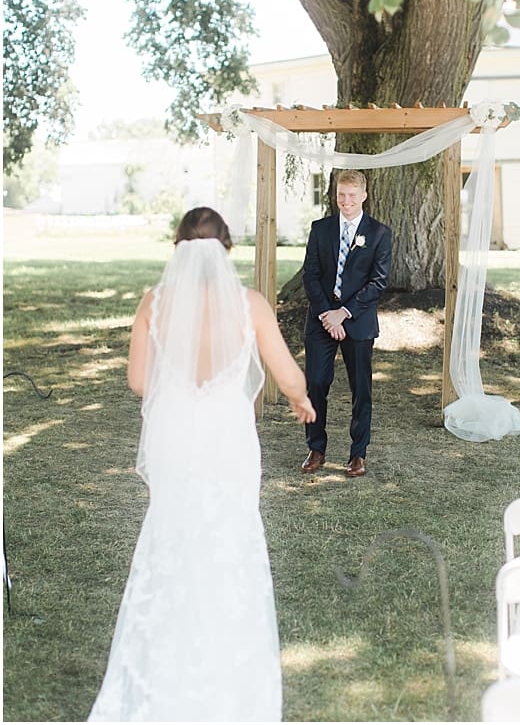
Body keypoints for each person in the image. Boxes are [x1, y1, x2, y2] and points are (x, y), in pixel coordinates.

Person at [90, 207, 315, 721]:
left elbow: (139, 383)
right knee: (229, 534)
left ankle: (164, 658)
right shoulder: (250, 304)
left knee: (173, 533)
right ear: (225, 251)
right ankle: (227, 666)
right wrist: (302, 402)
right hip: (226, 435)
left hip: (175, 433)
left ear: (178, 249)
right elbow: (288, 375)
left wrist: (180, 385)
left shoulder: (155, 303)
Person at [300, 169, 392, 478]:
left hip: (357, 321)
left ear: (364, 196)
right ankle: (316, 448)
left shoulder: (379, 233)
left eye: (352, 195)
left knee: (361, 389)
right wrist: (328, 313)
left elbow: (378, 283)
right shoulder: (320, 229)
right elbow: (309, 275)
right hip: (322, 320)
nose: (346, 201)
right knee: (315, 382)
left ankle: (358, 454)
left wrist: (345, 313)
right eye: (341, 195)